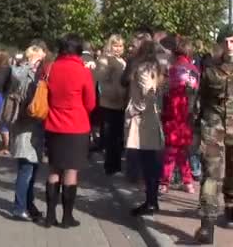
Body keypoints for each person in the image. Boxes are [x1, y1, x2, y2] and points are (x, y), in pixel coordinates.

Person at [44, 34, 96, 228]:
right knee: (71, 170)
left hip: (53, 124)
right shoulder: (82, 71)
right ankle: (67, 217)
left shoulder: (52, 68)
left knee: (54, 168)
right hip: (76, 126)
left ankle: (50, 215)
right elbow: (90, 103)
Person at [195, 25, 233, 243]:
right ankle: (207, 226)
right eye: (225, 41)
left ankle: (229, 210)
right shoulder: (210, 69)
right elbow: (202, 98)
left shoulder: (210, 67)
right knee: (211, 175)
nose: (229, 46)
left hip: (219, 126)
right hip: (214, 128)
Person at [124, 40, 165, 216]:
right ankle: (152, 201)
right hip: (152, 118)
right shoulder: (156, 68)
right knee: (152, 163)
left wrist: (134, 109)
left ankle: (150, 202)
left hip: (143, 120)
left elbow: (147, 93)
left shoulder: (143, 69)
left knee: (148, 163)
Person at [11, 43, 47, 221]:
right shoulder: (24, 74)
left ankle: (28, 204)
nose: (42, 62)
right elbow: (17, 81)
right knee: (26, 170)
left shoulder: (34, 74)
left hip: (33, 129)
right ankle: (19, 207)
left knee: (31, 170)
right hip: (25, 129)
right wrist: (29, 65)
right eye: (40, 58)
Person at [159, 37, 199, 194]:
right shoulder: (194, 70)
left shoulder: (172, 69)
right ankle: (188, 182)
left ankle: (164, 182)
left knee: (170, 150)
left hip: (173, 113)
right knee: (182, 150)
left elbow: (164, 92)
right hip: (187, 114)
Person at [95, 34, 127, 175]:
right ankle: (110, 165)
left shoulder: (122, 61)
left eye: (120, 46)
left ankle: (116, 163)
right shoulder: (105, 59)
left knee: (118, 135)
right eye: (115, 45)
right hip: (109, 102)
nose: (118, 48)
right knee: (110, 135)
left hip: (121, 102)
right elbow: (101, 79)